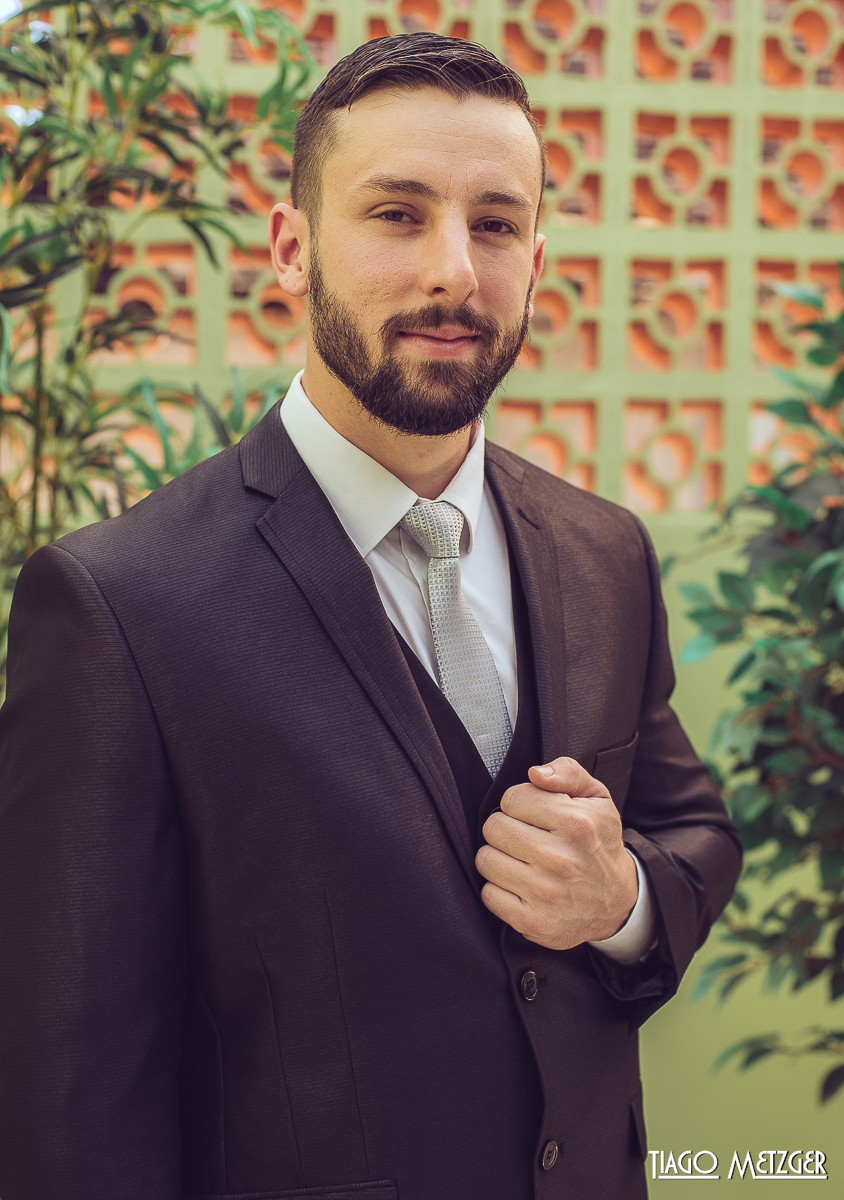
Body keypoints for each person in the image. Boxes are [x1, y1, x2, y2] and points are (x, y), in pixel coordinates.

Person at [0, 32, 741, 1200]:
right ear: (291, 249)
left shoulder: (604, 553)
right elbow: (78, 1110)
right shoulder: (119, 604)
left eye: (494, 224)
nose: (454, 269)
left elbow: (694, 835)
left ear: (537, 260)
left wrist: (624, 902)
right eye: (398, 213)